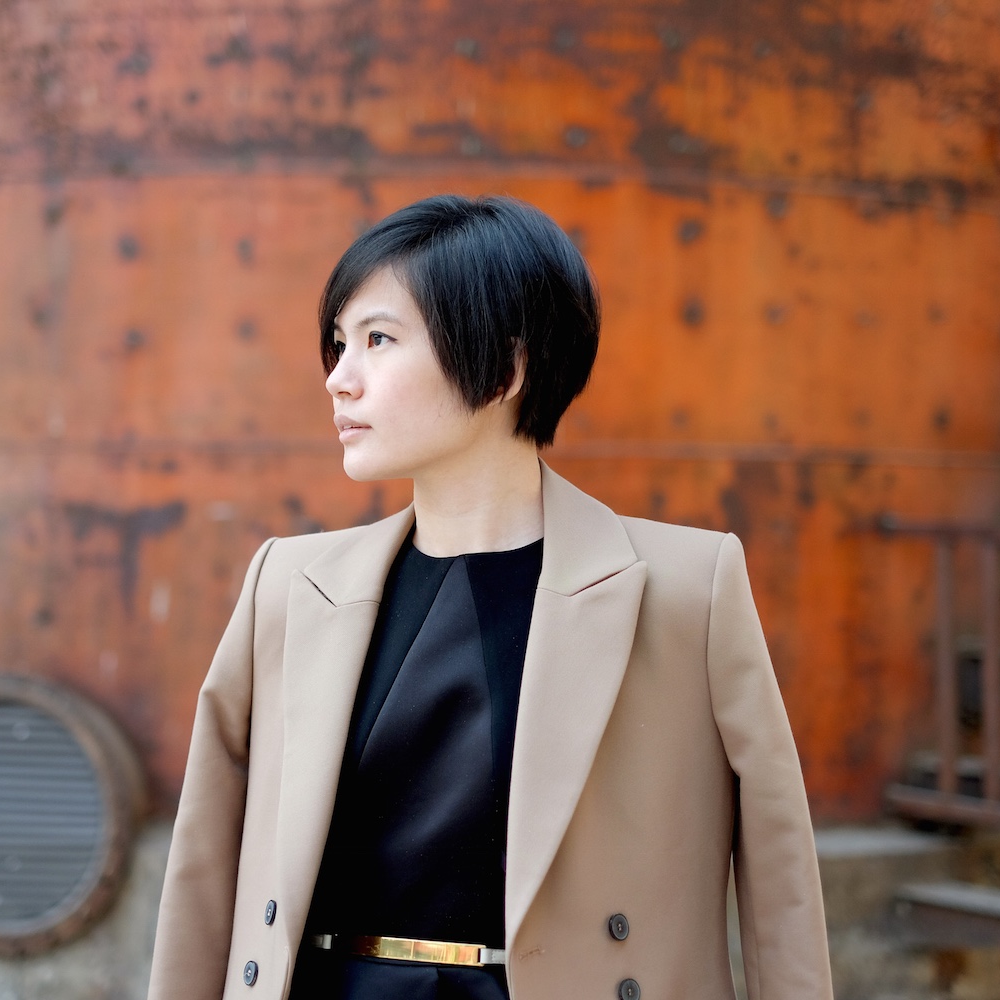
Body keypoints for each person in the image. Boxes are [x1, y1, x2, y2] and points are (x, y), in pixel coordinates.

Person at [146, 195, 832, 1000]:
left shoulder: (687, 586)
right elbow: (204, 868)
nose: (339, 379)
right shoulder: (289, 585)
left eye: (378, 340)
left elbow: (780, 878)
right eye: (339, 344)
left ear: (506, 369)